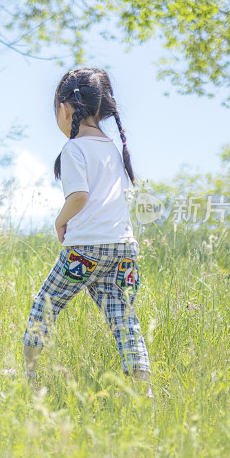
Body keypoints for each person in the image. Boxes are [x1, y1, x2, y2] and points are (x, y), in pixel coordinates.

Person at [18, 67, 153, 397]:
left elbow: (79, 197)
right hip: (123, 249)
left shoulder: (74, 149)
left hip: (85, 251)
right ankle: (142, 390)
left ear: (66, 108)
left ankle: (30, 376)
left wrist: (59, 221)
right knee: (124, 319)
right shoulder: (115, 148)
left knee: (45, 305)